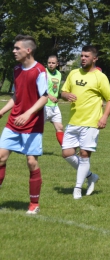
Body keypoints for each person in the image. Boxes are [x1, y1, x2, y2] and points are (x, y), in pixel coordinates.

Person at [0, 34, 48, 213]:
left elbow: (45, 97)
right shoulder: (16, 69)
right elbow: (17, 96)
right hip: (13, 122)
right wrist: (3, 111)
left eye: (17, 48)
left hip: (32, 124)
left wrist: (28, 114)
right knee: (0, 157)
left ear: (28, 50)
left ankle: (34, 204)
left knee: (31, 162)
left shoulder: (39, 71)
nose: (13, 51)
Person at [61, 45, 110, 199]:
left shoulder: (100, 77)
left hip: (91, 122)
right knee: (66, 153)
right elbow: (64, 91)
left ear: (94, 58)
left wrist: (104, 117)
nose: (83, 58)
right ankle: (91, 176)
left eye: (86, 56)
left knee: (84, 154)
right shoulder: (73, 73)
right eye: (82, 55)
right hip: (74, 120)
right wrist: (66, 96)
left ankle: (77, 189)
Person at [45, 55, 64, 146]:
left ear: (57, 64)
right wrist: (49, 96)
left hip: (54, 106)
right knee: (36, 129)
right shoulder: (43, 72)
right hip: (43, 105)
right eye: (49, 63)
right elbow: (38, 88)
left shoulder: (59, 74)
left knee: (59, 127)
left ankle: (66, 149)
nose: (51, 65)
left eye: (53, 63)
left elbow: (55, 89)